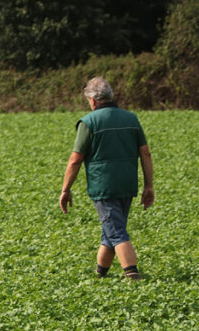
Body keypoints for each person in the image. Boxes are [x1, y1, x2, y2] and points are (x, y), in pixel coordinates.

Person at [60, 77, 154, 279]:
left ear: (92, 100)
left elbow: (75, 159)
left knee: (116, 231)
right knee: (110, 231)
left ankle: (132, 275)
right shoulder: (131, 119)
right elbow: (145, 153)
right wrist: (149, 185)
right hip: (127, 184)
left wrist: (66, 189)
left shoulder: (89, 122)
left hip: (104, 186)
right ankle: (100, 274)